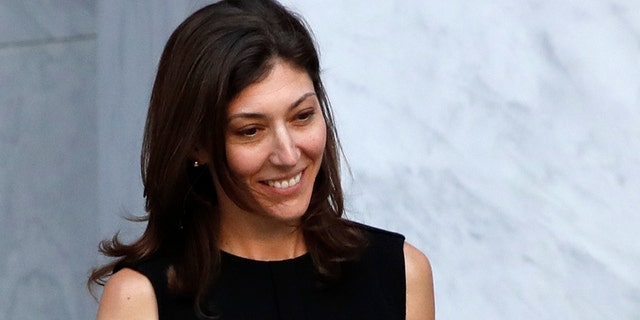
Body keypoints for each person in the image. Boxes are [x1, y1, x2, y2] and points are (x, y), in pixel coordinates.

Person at [89, 0, 434, 319]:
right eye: (251, 130)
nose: (287, 154)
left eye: (302, 116)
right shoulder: (140, 298)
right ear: (196, 145)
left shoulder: (401, 273)